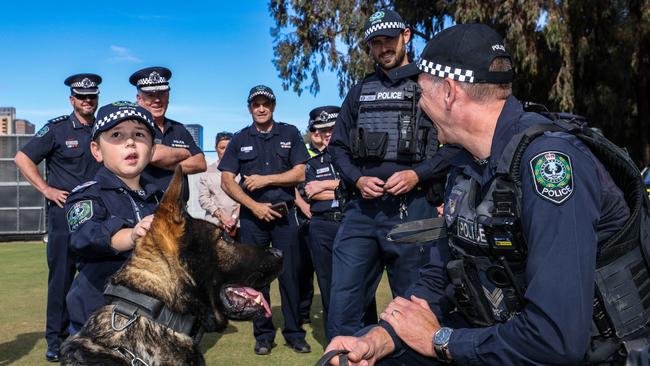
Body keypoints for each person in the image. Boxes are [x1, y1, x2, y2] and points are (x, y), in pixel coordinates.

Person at [324, 23, 649, 365]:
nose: (419, 106)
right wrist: (380, 339)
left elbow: (556, 337)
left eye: (421, 93)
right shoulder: (466, 166)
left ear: (449, 92)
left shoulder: (548, 164)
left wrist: (441, 340)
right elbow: (441, 274)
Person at [327, 9, 445, 338]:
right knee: (343, 305)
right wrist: (357, 178)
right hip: (361, 213)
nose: (383, 48)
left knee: (416, 306)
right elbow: (337, 147)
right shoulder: (359, 91)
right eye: (375, 43)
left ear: (406, 36)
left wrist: (417, 175)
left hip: (415, 211)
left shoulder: (430, 86)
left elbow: (452, 148)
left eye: (389, 40)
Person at [14, 73, 102, 362]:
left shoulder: (105, 129)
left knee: (97, 279)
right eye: (82, 96)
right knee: (61, 280)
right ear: (72, 99)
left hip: (99, 217)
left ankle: (93, 336)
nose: (87, 101)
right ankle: (56, 340)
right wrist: (45, 189)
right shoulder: (57, 129)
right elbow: (22, 158)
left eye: (92, 96)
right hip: (64, 215)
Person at [218, 85, 312, 355]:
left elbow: (300, 173)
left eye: (265, 104)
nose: (261, 108)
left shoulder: (290, 133)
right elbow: (226, 180)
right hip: (252, 218)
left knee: (290, 276)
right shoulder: (239, 139)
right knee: (257, 278)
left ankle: (295, 333)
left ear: (273, 106)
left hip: (285, 217)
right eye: (256, 104)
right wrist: (254, 206)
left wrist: (267, 179)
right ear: (249, 107)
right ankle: (264, 336)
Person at [64, 101, 163, 334]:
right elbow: (86, 235)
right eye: (116, 135)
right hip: (99, 322)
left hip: (153, 322)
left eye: (139, 135)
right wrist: (132, 235)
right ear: (97, 151)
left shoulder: (162, 199)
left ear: (152, 150)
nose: (130, 142)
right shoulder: (87, 195)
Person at [130, 66, 206, 190]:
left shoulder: (179, 128)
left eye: (161, 94)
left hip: (178, 206)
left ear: (168, 96)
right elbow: (153, 155)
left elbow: (200, 163)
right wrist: (184, 153)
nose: (157, 100)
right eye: (150, 95)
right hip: (147, 206)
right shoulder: (133, 126)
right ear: (139, 99)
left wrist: (166, 161)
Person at [198, 132, 240, 237]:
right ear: (216, 149)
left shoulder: (242, 170)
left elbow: (246, 197)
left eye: (229, 147)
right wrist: (221, 216)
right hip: (214, 224)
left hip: (239, 224)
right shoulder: (207, 171)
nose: (226, 151)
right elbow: (204, 198)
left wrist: (234, 218)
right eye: (222, 148)